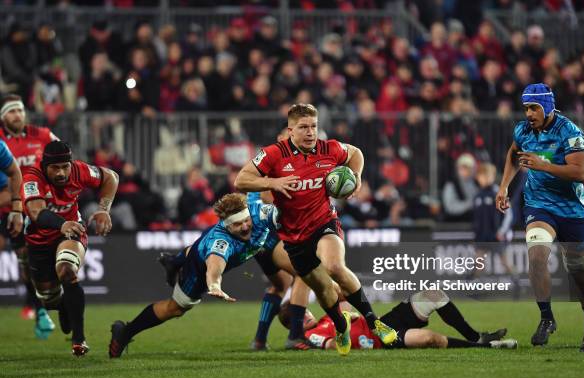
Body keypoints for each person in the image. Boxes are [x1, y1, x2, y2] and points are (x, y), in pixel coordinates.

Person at [235, 103, 397, 356]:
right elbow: (241, 179)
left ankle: (375, 322)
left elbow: (356, 153)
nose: (310, 132)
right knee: (321, 288)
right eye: (303, 127)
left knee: (334, 267)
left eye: (313, 126)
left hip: (324, 223)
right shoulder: (274, 154)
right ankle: (341, 325)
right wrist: (273, 182)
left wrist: (357, 176)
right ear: (291, 130)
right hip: (293, 238)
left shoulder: (328, 148)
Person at [108, 193, 295, 358]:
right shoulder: (220, 242)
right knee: (177, 308)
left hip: (204, 246)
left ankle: (174, 261)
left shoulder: (257, 213)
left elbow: (285, 210)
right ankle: (125, 332)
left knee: (284, 277)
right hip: (199, 269)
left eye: (247, 220)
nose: (246, 226)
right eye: (238, 224)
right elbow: (215, 266)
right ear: (228, 226)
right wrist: (214, 285)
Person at [496, 83, 584, 351]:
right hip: (539, 205)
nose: (529, 113)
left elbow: (581, 173)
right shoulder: (523, 130)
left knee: (578, 272)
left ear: (548, 106)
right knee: (537, 256)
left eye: (534, 108)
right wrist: (504, 186)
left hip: (572, 209)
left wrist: (544, 165)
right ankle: (546, 318)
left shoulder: (569, 132)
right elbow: (513, 154)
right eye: (526, 108)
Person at [22, 141, 118, 356]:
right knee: (49, 299)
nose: (61, 173)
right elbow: (37, 212)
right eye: (55, 168)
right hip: (39, 241)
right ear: (45, 166)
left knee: (67, 270)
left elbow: (110, 177)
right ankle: (65, 305)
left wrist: (104, 210)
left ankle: (79, 339)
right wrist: (60, 223)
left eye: (65, 166)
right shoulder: (32, 178)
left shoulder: (79, 170)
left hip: (71, 231)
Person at [278, 287, 516, 351]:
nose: (307, 312)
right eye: (301, 314)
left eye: (305, 310)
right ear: (294, 323)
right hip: (382, 339)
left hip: (383, 323)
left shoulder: (326, 318)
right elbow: (332, 345)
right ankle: (480, 346)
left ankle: (477, 336)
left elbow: (342, 295)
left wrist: (330, 288)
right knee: (429, 339)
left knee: (433, 295)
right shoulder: (311, 335)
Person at [0, 94, 57, 337]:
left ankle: (42, 304)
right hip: (11, 210)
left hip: (40, 209)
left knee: (49, 260)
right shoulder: (2, 142)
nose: (18, 116)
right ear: (3, 117)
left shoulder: (42, 135)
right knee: (26, 260)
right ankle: (39, 307)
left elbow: (65, 157)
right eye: (12, 112)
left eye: (20, 110)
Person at [471, 163, 517, 288]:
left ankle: (518, 284)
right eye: (481, 176)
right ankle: (473, 289)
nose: (484, 178)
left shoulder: (499, 192)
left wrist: (501, 232)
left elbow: (509, 215)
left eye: (487, 175)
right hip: (483, 236)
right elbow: (477, 219)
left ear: (492, 176)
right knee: (479, 262)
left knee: (505, 262)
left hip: (496, 235)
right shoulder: (478, 196)